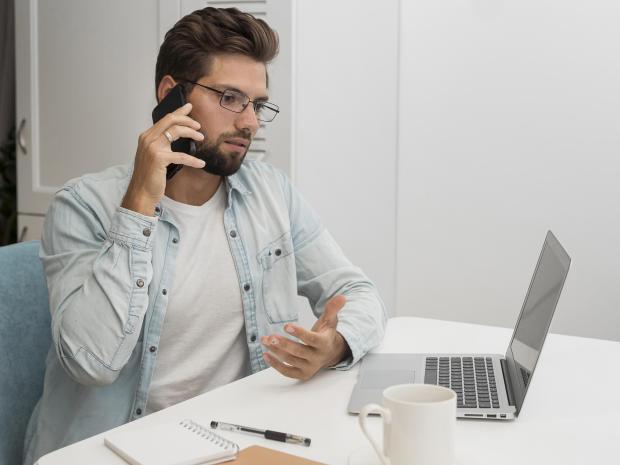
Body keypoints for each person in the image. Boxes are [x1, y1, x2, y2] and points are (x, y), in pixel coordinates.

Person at [23, 7, 386, 465]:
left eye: (257, 104)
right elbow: (92, 365)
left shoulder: (270, 192)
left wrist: (336, 345)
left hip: (231, 443)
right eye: (231, 98)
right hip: (114, 450)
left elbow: (358, 292)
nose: (250, 123)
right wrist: (138, 205)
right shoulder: (82, 206)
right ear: (171, 96)